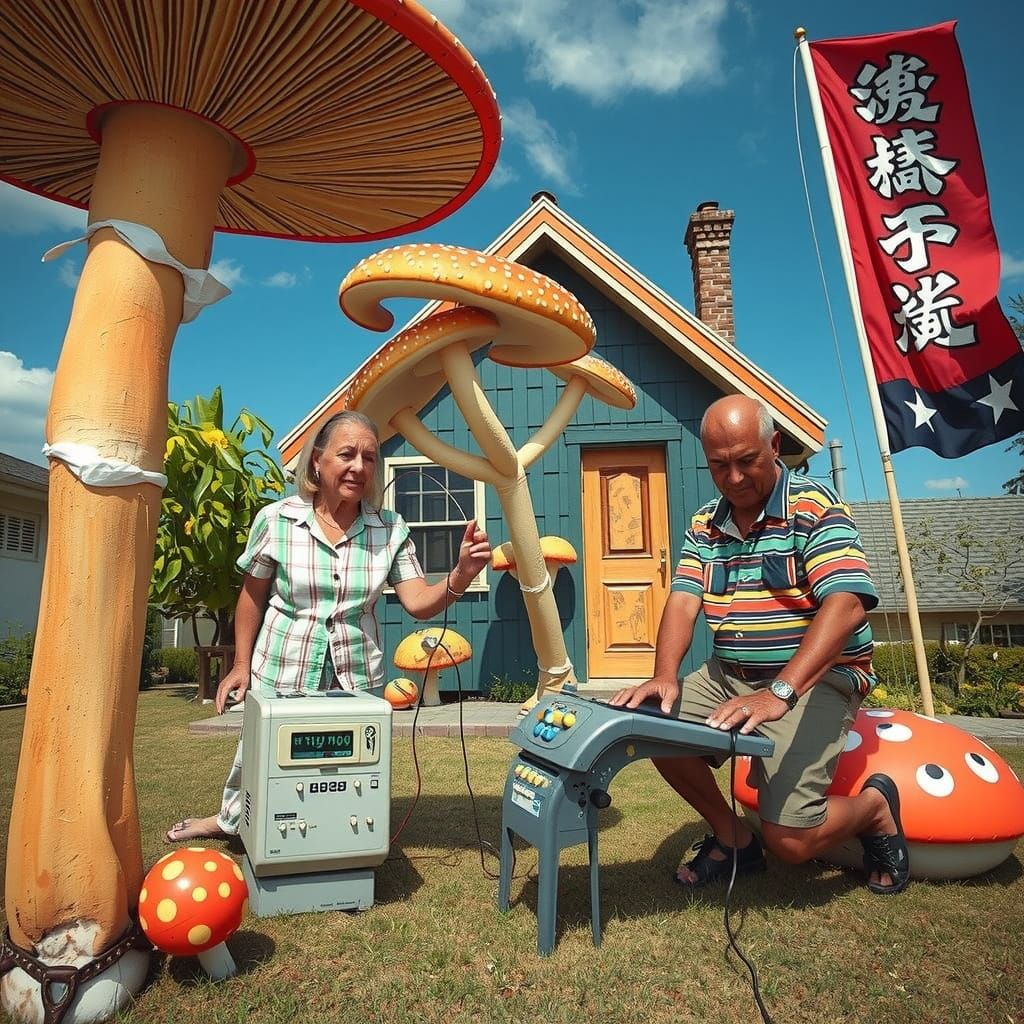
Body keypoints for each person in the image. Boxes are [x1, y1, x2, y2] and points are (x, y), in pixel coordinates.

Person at [609, 395, 910, 895]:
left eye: (746, 461)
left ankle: (874, 810)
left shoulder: (815, 506)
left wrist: (780, 693)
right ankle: (734, 840)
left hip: (818, 677)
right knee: (655, 725)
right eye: (719, 465)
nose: (733, 478)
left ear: (774, 446)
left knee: (791, 842)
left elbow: (847, 605)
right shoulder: (706, 523)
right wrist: (664, 676)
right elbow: (683, 601)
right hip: (729, 673)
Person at [166, 410, 491, 843]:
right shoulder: (277, 520)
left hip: (356, 670)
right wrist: (240, 664)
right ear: (317, 460)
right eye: (347, 454)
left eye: (370, 457)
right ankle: (231, 821)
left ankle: (344, 840)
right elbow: (251, 596)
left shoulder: (390, 529)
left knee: (350, 763)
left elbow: (418, 603)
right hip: (284, 662)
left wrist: (461, 576)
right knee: (261, 754)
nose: (360, 466)